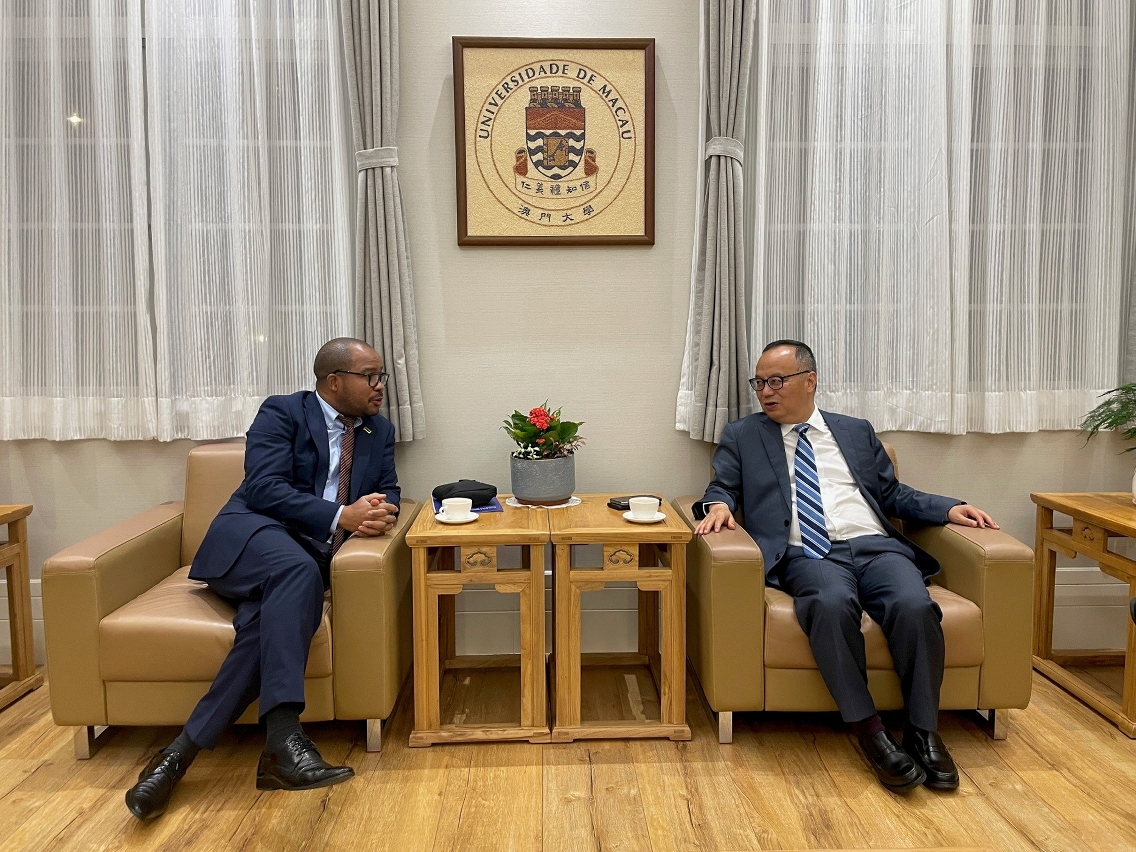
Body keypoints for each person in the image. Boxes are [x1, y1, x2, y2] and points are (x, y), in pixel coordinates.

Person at [693, 339, 998, 794]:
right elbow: (723, 486)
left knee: (915, 606)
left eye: (776, 381)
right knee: (830, 604)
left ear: (809, 380)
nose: (765, 392)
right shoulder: (744, 435)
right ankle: (870, 731)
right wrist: (717, 505)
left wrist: (948, 508)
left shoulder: (854, 431)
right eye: (759, 383)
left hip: (876, 547)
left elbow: (892, 494)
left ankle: (923, 731)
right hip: (808, 552)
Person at [125, 338, 401, 820]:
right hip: (252, 537)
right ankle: (285, 737)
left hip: (302, 565)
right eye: (370, 376)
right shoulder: (282, 412)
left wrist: (380, 511)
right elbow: (264, 487)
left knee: (264, 624)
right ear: (334, 381)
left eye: (382, 377)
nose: (380, 386)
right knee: (297, 571)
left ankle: (176, 757)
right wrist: (341, 516)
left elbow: (388, 488)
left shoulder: (378, 431)